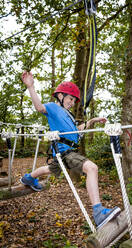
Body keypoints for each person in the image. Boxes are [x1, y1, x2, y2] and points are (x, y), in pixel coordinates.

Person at [20, 71, 121, 229]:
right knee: (92, 168)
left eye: (74, 100)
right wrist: (31, 87)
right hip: (65, 152)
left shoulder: (69, 116)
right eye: (70, 98)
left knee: (49, 169)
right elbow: (39, 107)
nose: (72, 102)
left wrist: (92, 121)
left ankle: (28, 178)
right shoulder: (53, 108)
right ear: (60, 96)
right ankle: (99, 213)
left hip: (62, 154)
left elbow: (77, 130)